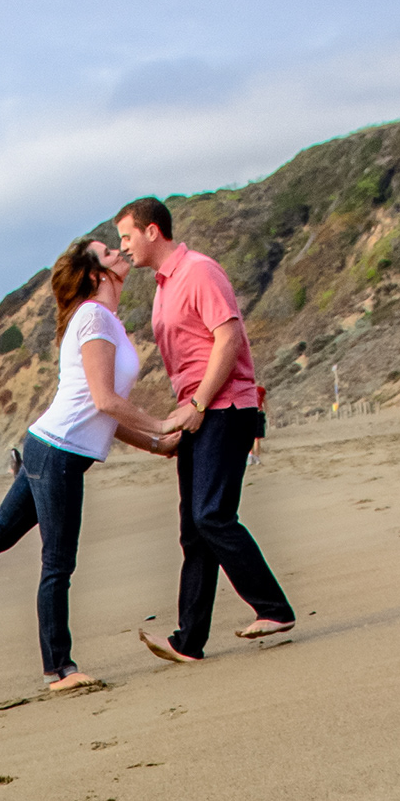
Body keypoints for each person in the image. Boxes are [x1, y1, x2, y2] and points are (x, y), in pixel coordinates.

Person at [0, 236, 175, 688]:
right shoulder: (95, 317)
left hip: (52, 447)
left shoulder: (105, 320)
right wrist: (160, 425)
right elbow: (106, 401)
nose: (120, 252)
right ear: (98, 273)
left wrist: (156, 445)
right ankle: (59, 669)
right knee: (57, 563)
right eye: (109, 252)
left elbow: (99, 414)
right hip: (56, 453)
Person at [114, 196, 295, 664]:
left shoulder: (199, 270)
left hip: (225, 406)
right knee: (194, 529)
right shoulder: (162, 286)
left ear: (153, 231)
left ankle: (273, 608)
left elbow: (229, 337)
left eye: (126, 237)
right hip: (196, 409)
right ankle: (188, 641)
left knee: (211, 515)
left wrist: (197, 404)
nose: (124, 247)